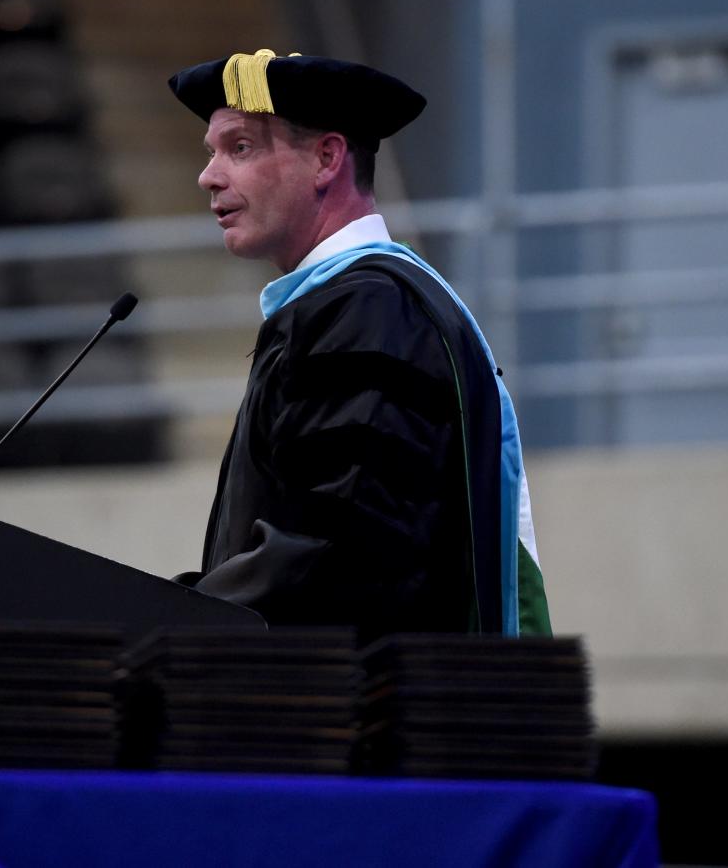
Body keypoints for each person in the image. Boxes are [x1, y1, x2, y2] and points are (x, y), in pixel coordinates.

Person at [167, 49, 550, 639]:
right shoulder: (347, 303)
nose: (209, 175)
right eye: (212, 152)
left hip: (363, 710)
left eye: (240, 148)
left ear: (326, 158)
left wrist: (170, 619)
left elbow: (337, 545)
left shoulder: (370, 309)